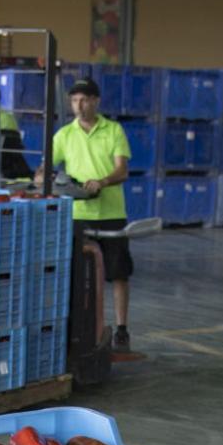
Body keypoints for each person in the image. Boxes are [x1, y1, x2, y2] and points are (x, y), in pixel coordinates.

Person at [44, 78, 134, 352]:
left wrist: (102, 182)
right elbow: (46, 165)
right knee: (74, 272)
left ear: (96, 101)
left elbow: (122, 170)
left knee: (118, 273)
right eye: (74, 101)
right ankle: (74, 327)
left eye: (84, 100)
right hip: (77, 214)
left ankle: (121, 330)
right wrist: (42, 177)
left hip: (109, 213)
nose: (79, 106)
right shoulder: (64, 135)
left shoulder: (113, 130)